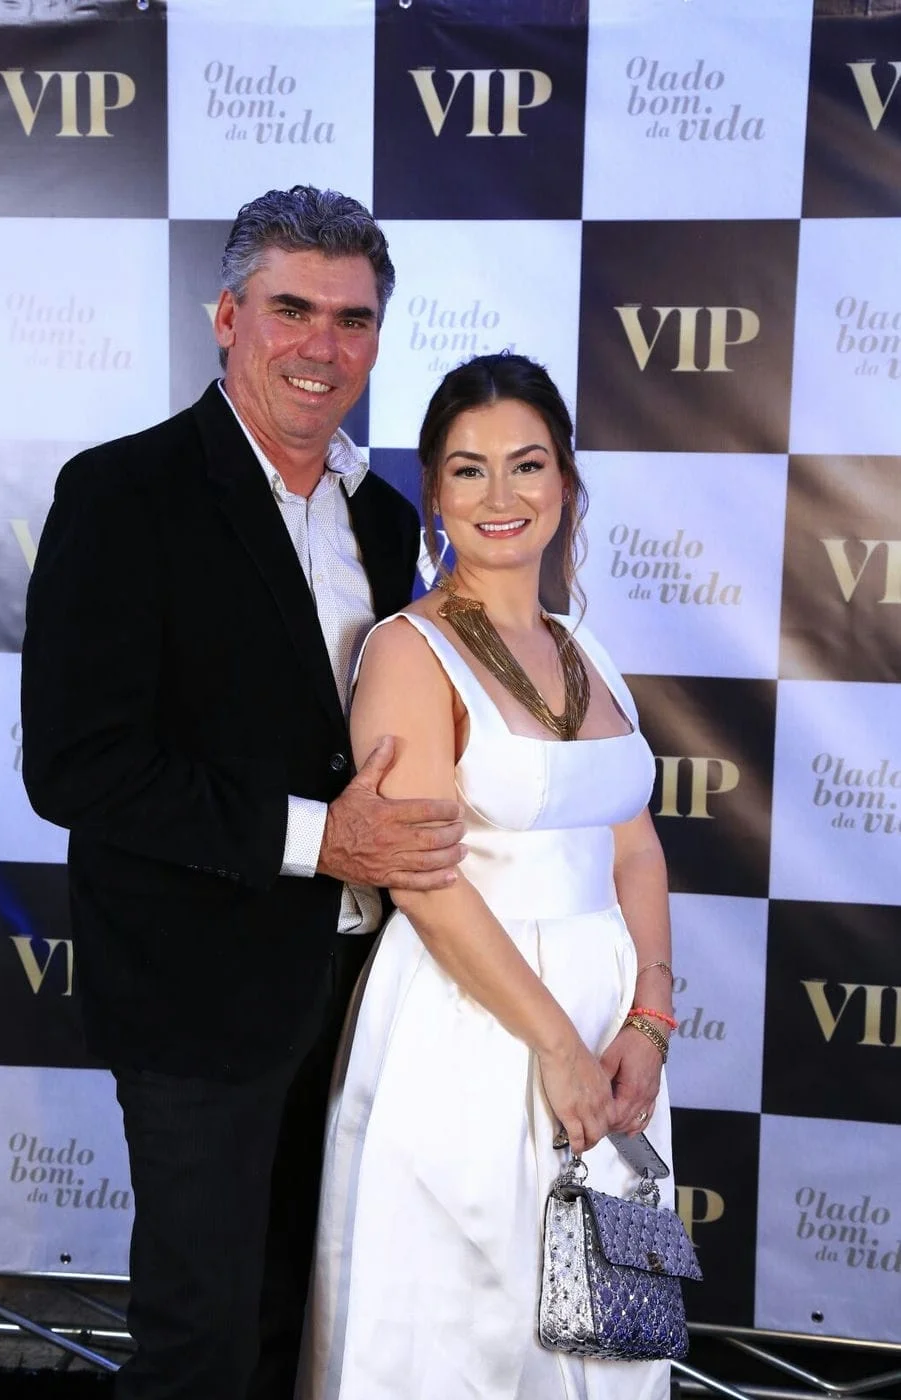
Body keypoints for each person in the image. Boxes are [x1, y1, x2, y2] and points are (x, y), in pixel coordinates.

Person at [20, 186, 465, 1400]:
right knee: (201, 1346)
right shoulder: (124, 493)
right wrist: (325, 839)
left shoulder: (387, 514)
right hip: (199, 997)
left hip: (364, 992)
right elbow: (74, 762)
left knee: (305, 1327)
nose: (324, 345)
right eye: (292, 309)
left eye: (354, 318)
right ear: (227, 317)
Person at [298, 353, 677, 1400]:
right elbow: (423, 880)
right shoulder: (405, 650)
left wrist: (648, 1022)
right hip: (472, 1024)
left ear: (565, 480)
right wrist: (556, 1046)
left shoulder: (583, 646)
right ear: (434, 490)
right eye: (469, 469)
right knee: (460, 1332)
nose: (500, 494)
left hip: (610, 1029)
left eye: (527, 463)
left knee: (606, 1332)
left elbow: (634, 847)